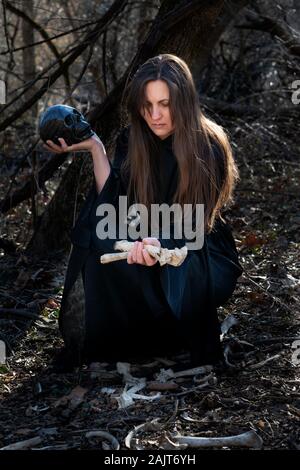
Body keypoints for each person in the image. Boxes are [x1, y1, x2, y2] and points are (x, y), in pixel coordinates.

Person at [44, 54, 243, 370]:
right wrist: (95, 146)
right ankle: (125, 340)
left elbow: (195, 226)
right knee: (100, 232)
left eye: (165, 104)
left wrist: (159, 245)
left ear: (184, 101)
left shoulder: (209, 145)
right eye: (147, 105)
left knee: (180, 263)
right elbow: (114, 203)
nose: (155, 115)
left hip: (201, 251)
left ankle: (177, 336)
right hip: (149, 234)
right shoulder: (133, 139)